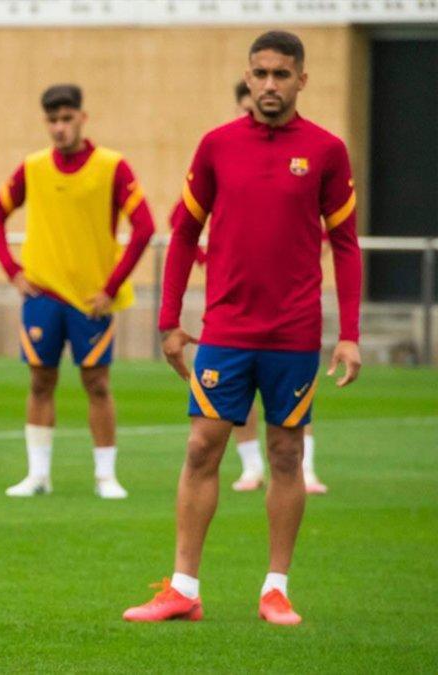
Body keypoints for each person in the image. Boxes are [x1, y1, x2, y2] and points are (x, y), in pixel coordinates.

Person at [123, 30, 361, 625]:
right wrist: (168, 321)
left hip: (295, 335)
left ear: (302, 80)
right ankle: (182, 589)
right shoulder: (217, 146)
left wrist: (350, 333)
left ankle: (275, 588)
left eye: (282, 74)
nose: (270, 85)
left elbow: (346, 244)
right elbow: (182, 233)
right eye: (261, 74)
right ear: (248, 78)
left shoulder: (327, 151)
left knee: (285, 454)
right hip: (224, 331)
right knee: (203, 446)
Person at [0, 84, 154, 499]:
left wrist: (111, 287)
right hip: (42, 296)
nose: (60, 127)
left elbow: (145, 226)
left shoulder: (113, 167)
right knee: (41, 382)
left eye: (67, 118)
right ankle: (38, 475)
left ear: (83, 117)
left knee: (97, 383)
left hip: (90, 300)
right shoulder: (33, 167)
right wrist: (13, 271)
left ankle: (105, 476)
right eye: (52, 120)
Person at [228, 80, 327, 495]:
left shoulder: (312, 149)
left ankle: (307, 467)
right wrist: (208, 259)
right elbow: (183, 220)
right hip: (237, 309)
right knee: (237, 402)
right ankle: (251, 466)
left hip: (290, 308)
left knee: (294, 400)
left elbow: (326, 224)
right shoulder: (226, 149)